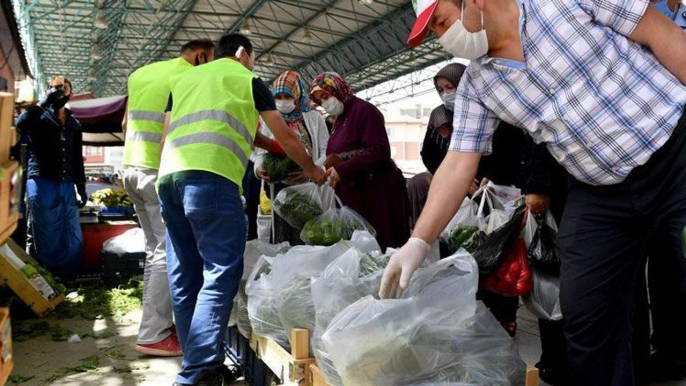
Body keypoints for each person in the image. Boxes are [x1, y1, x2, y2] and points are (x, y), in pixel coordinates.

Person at [379, 1, 686, 386]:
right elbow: (458, 161)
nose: (442, 39)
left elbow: (662, 33)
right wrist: (418, 241)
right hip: (601, 193)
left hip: (674, 150)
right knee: (587, 315)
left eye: (440, 24)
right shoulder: (478, 84)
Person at [158, 33, 326, 386]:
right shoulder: (249, 80)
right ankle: (196, 373)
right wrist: (311, 169)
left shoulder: (184, 80)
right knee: (220, 274)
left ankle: (199, 360)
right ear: (242, 53)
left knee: (185, 274)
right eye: (253, 56)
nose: (254, 63)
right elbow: (289, 135)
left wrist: (272, 148)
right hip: (212, 180)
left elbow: (172, 133)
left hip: (170, 179)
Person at [122, 39, 215, 357]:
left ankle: (156, 325)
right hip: (155, 170)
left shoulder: (140, 74)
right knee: (166, 252)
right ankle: (153, 333)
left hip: (131, 168)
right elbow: (175, 127)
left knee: (154, 250)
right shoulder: (187, 77)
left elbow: (124, 123)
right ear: (201, 56)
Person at [310, 72, 410, 251]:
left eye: (326, 96)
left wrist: (344, 169)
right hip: (354, 194)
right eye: (320, 101)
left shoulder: (364, 110)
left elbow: (379, 150)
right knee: (360, 250)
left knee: (380, 247)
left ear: (337, 89)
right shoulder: (339, 120)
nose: (325, 104)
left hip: (376, 194)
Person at [16, 76, 85, 278]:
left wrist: (81, 186)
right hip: (42, 180)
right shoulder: (38, 117)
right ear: (48, 91)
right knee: (45, 230)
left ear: (70, 93)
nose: (60, 92)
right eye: (55, 88)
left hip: (67, 182)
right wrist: (44, 102)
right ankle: (47, 275)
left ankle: (69, 274)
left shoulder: (74, 124)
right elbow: (21, 125)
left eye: (63, 88)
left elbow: (76, 158)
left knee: (71, 229)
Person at [254, 70, 329, 245]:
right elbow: (261, 152)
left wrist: (310, 170)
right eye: (278, 96)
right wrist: (259, 170)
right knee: (283, 237)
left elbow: (326, 149)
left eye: (286, 96)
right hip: (280, 190)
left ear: (297, 95)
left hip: (308, 188)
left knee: (309, 233)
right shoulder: (270, 119)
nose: (282, 101)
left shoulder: (313, 117)